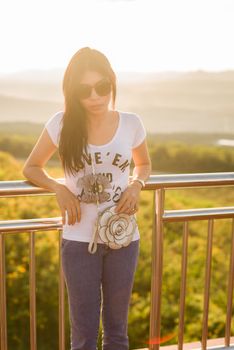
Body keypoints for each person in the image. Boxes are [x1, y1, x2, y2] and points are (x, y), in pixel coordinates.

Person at [22, 47, 152, 350]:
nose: (95, 96)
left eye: (102, 87)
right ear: (72, 92)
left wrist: (136, 185)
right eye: (85, 90)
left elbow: (144, 164)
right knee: (83, 337)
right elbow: (31, 167)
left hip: (124, 237)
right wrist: (59, 188)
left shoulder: (131, 123)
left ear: (112, 83)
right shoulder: (61, 123)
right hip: (79, 241)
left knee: (118, 333)